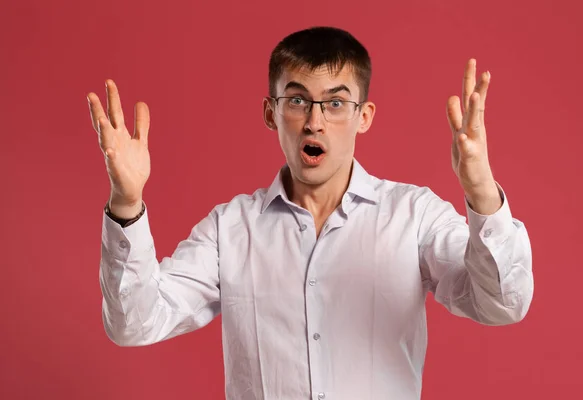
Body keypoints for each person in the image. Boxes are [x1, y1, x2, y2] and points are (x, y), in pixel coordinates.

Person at [87, 26, 534, 400]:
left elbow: (502, 304)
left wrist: (480, 193)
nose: (315, 121)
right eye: (297, 100)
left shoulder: (413, 216)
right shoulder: (231, 229)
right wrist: (126, 202)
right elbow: (135, 323)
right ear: (271, 113)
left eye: (336, 103)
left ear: (365, 116)